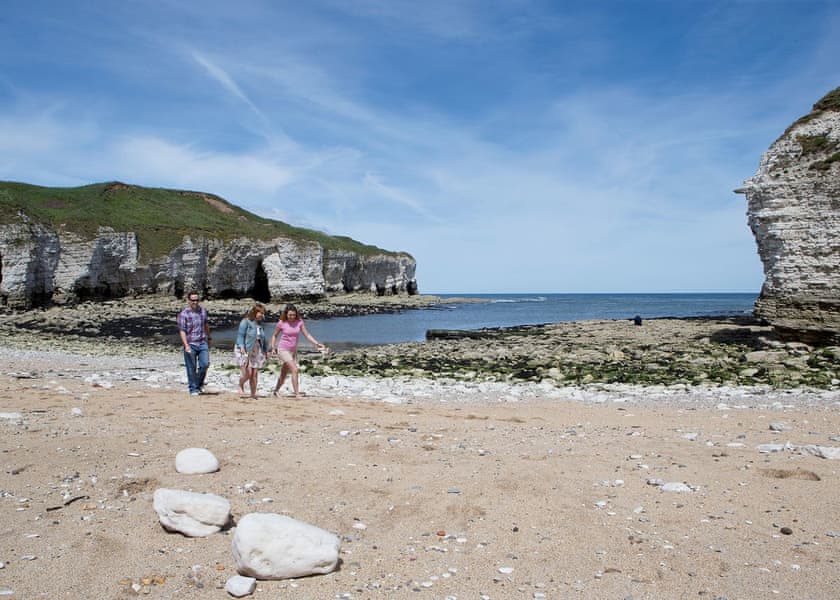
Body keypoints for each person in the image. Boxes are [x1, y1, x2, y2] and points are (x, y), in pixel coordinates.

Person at [270, 304, 325, 398]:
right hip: (283, 349)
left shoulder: (299, 322)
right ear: (286, 314)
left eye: (294, 315)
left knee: (284, 373)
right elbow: (274, 335)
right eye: (290, 315)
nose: (292, 317)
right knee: (295, 370)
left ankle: (276, 391)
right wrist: (272, 348)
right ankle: (297, 394)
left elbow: (307, 335)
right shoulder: (281, 322)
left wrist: (316, 343)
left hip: (293, 351)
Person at [177, 291, 211, 396]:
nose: (195, 302)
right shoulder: (184, 314)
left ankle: (199, 384)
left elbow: (206, 325)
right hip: (190, 343)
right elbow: (182, 330)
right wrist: (186, 345)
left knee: (205, 364)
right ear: (188, 301)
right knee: (191, 367)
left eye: (197, 300)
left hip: (202, 342)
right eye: (193, 300)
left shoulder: (203, 311)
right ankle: (193, 388)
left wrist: (209, 337)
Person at [235, 302, 268, 399]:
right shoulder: (246, 321)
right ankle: (240, 384)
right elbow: (240, 336)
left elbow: (263, 339)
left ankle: (253, 394)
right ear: (254, 312)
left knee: (254, 373)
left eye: (263, 313)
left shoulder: (260, 324)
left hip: (256, 350)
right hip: (245, 349)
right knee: (248, 373)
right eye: (260, 313)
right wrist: (241, 347)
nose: (262, 315)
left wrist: (266, 351)